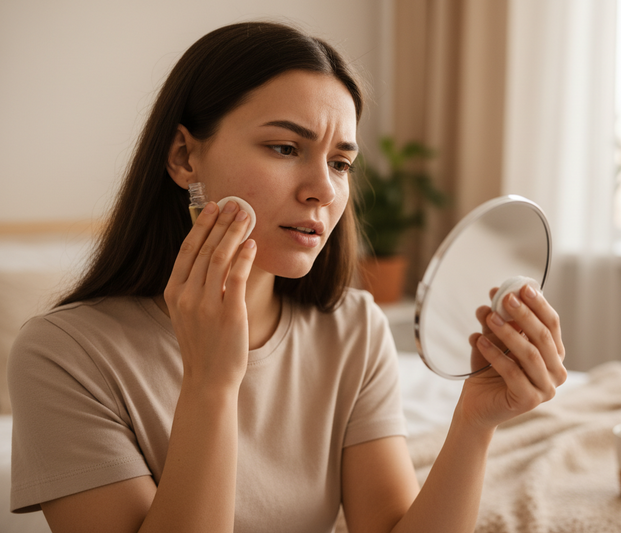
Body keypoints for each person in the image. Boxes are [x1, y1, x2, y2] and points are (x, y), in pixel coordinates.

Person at [7, 21, 567, 533]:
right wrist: (211, 383)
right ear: (184, 157)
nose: (323, 189)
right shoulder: (62, 356)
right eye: (284, 147)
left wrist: (474, 423)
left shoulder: (352, 329)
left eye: (340, 163)